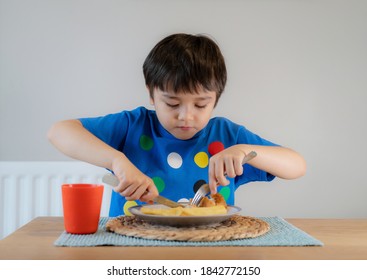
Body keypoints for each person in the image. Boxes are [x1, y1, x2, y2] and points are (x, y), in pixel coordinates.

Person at [48, 33, 306, 217]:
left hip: (209, 252)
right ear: (151, 94)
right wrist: (118, 162)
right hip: (131, 250)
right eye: (172, 104)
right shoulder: (132, 126)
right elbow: (59, 132)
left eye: (200, 105)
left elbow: (296, 164)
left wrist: (244, 152)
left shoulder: (226, 136)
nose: (186, 116)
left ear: (215, 100)